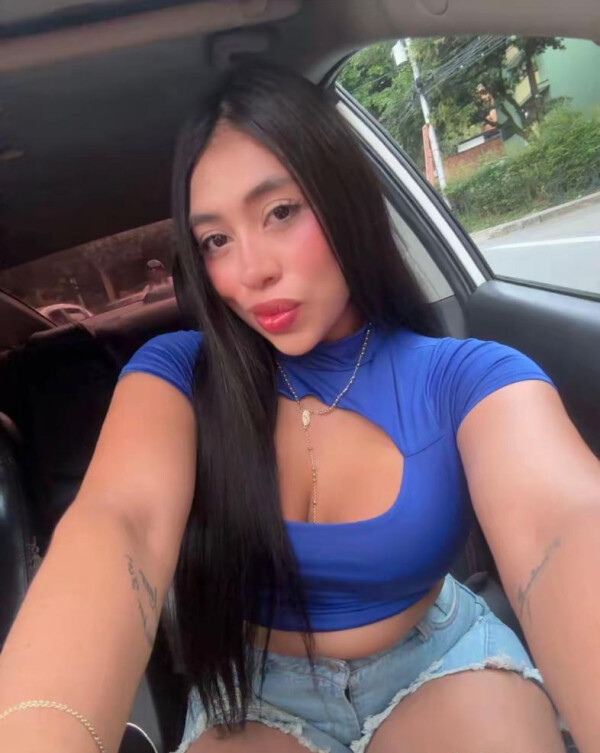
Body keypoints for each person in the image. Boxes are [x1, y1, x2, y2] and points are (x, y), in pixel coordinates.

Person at [1, 63, 600, 753]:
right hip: (254, 693)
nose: (250, 270)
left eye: (279, 212)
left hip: (437, 659)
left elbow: (561, 525)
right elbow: (119, 525)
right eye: (216, 240)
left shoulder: (464, 377)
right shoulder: (178, 376)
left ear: (342, 198)